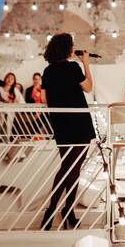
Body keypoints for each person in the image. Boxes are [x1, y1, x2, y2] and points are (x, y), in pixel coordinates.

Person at [41, 33, 95, 230]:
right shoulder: (73, 67)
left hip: (61, 125)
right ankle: (66, 210)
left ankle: (54, 211)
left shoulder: (47, 71)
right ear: (67, 48)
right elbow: (88, 88)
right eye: (72, 45)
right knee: (73, 169)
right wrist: (86, 64)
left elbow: (45, 100)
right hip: (79, 124)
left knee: (67, 167)